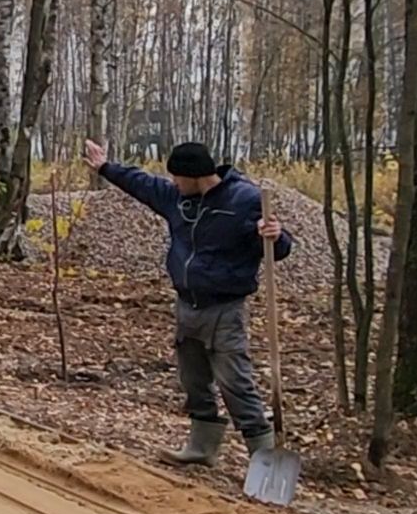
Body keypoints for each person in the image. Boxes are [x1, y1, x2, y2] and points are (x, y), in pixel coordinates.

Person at [83, 139, 292, 465]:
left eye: (178, 177)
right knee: (193, 380)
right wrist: (106, 167)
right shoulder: (176, 199)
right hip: (187, 305)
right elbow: (141, 183)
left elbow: (278, 249)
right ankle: (202, 448)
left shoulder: (245, 200)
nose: (173, 184)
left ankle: (264, 460)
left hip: (225, 309)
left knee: (235, 383)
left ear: (195, 174)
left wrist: (276, 236)